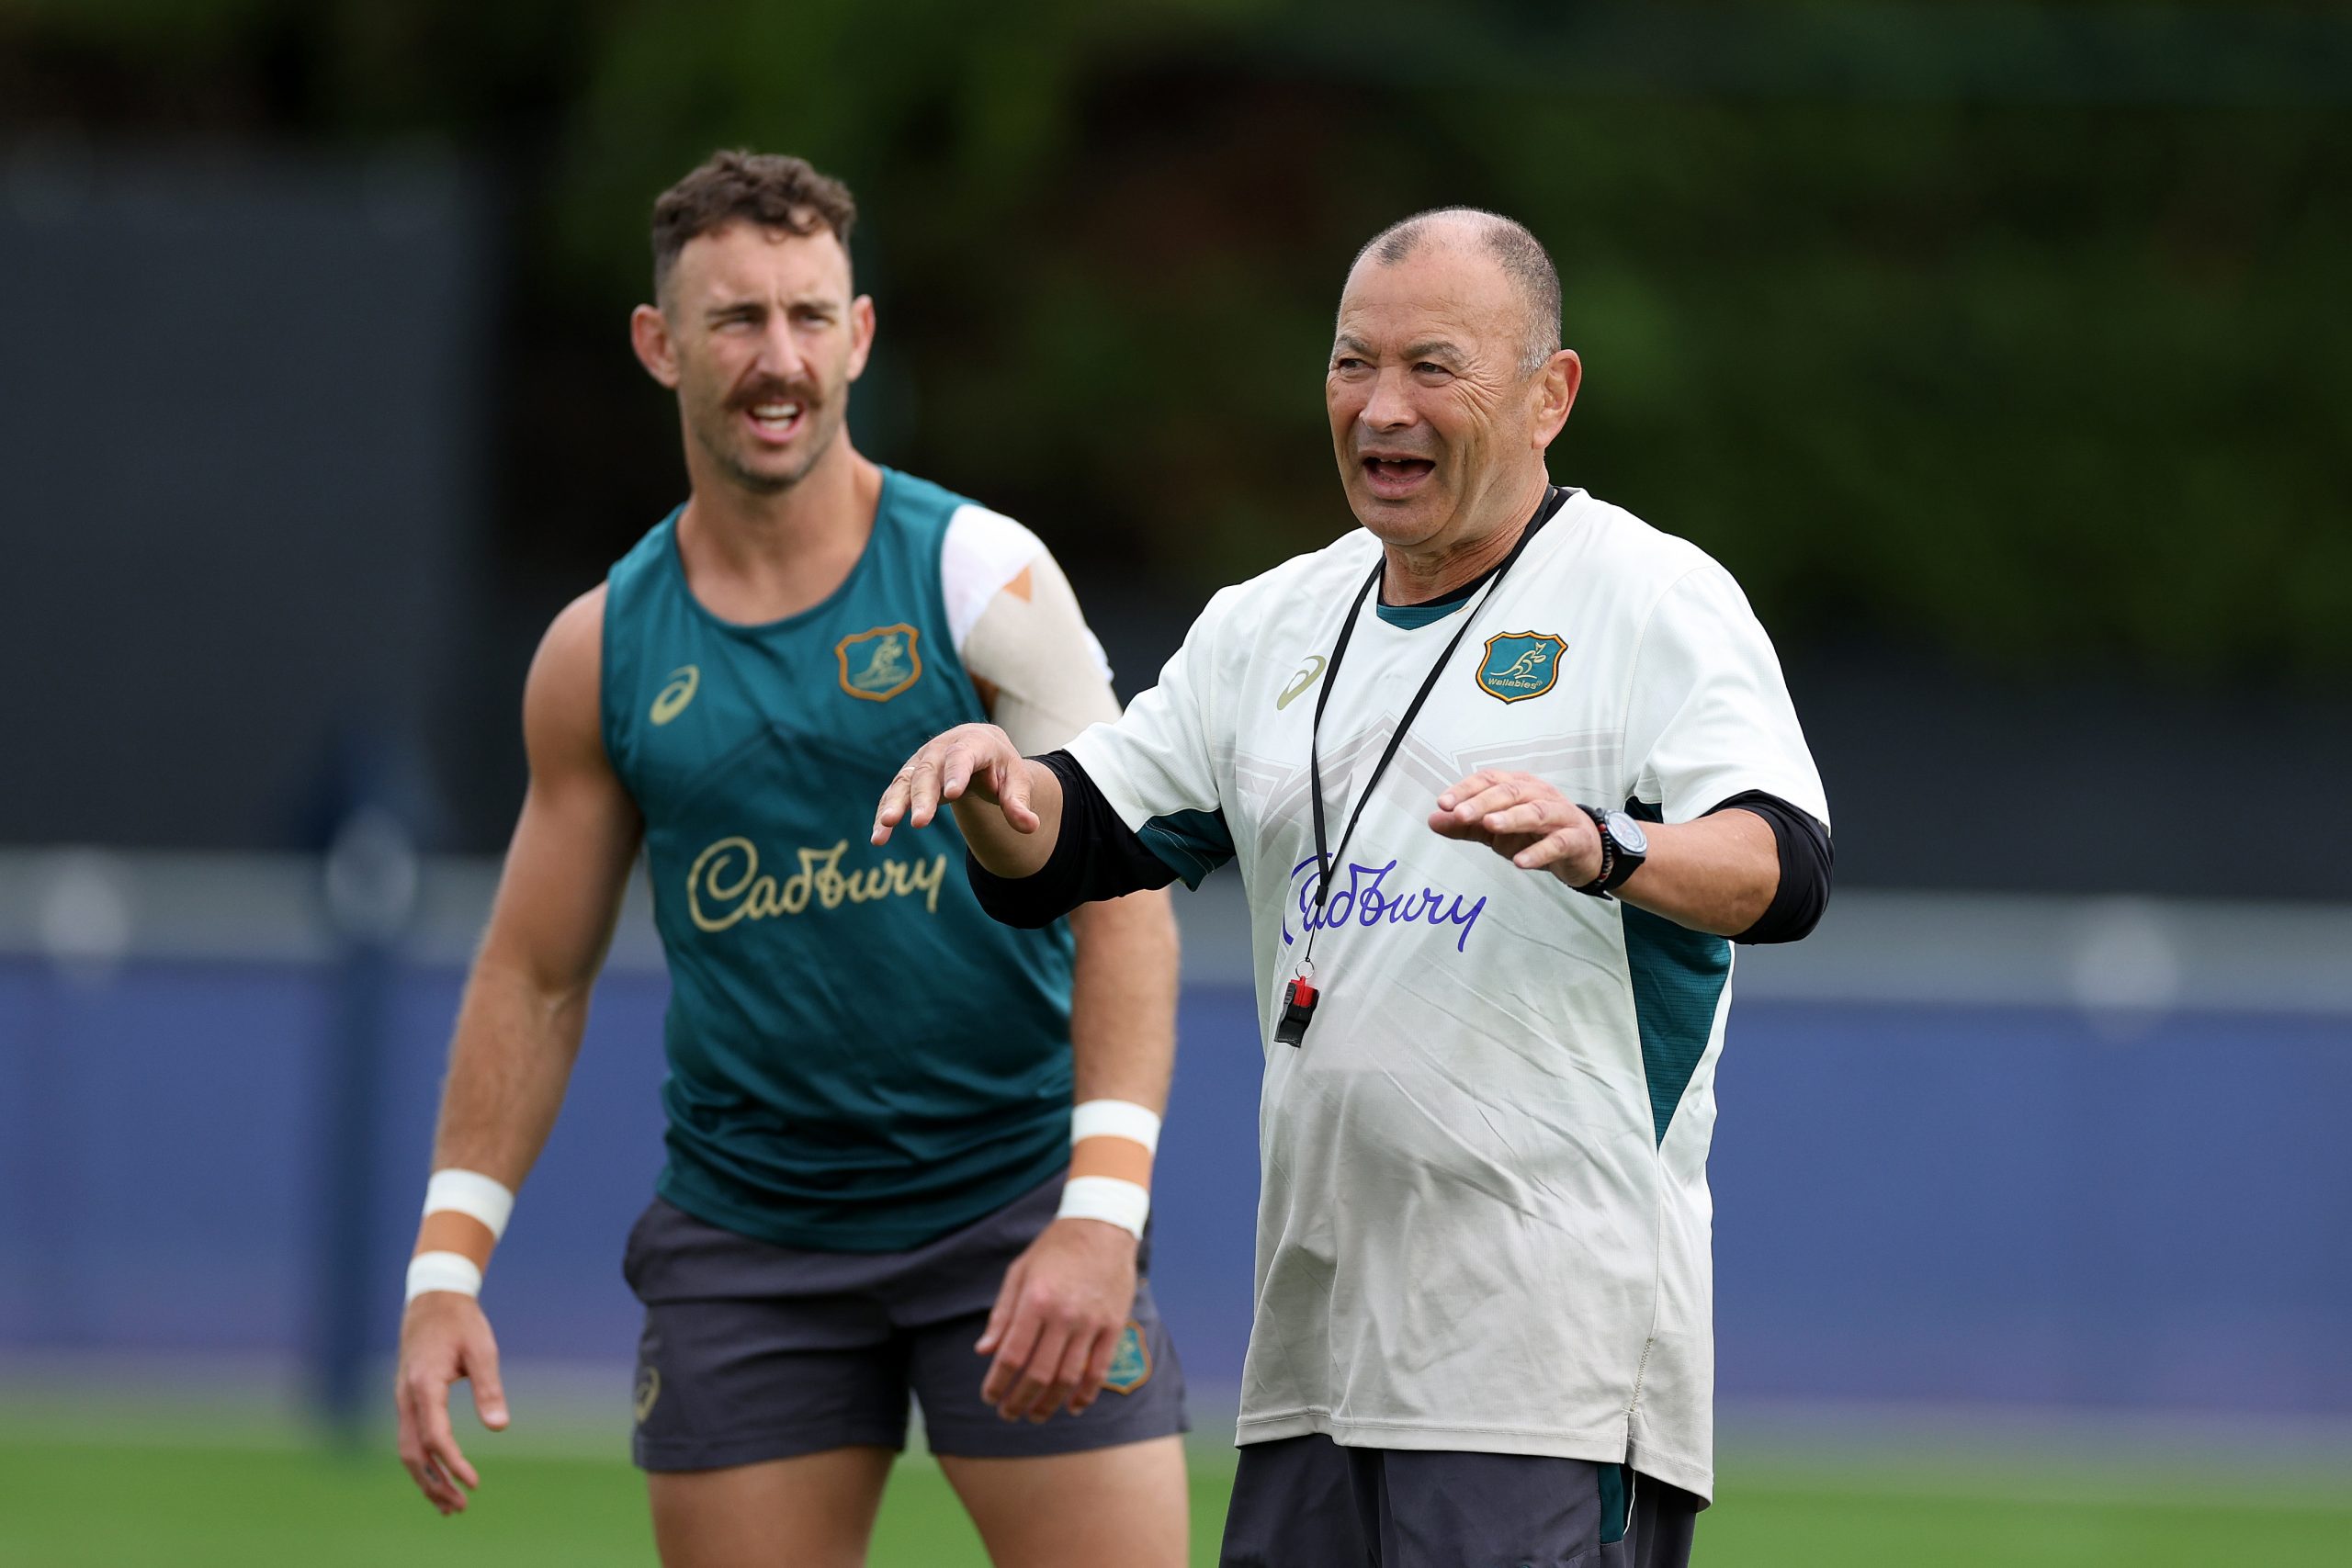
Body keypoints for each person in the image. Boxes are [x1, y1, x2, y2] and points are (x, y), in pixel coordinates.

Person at [874, 207, 1833, 1567]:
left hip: (1543, 1361)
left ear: (1547, 394)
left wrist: (1609, 847)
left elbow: (1783, 863)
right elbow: (1078, 844)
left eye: (1433, 367)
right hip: (1314, 1349)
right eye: (1351, 365)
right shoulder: (1267, 620)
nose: (1382, 407)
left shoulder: (1652, 599)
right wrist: (999, 790)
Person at [391, 151, 1189, 1568]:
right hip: (751, 1244)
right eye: (737, 319)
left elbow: (1124, 896)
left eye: (810, 318)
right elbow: (533, 974)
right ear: (659, 345)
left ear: (860, 336)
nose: (779, 360)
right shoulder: (602, 650)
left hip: (1010, 1203)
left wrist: (1099, 1218)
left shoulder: (981, 580)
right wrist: (446, 1268)